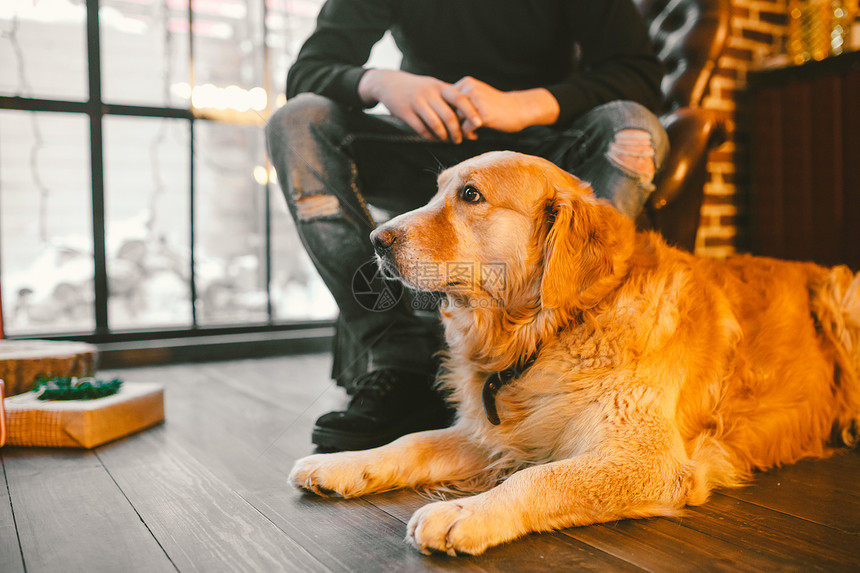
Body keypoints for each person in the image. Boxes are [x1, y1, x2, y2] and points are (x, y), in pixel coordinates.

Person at [266, 0, 669, 451]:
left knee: (634, 129)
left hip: (545, 145)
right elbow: (308, 70)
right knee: (296, 122)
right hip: (425, 146)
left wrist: (524, 105)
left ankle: (580, 342)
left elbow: (640, 77)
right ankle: (399, 360)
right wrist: (380, 82)